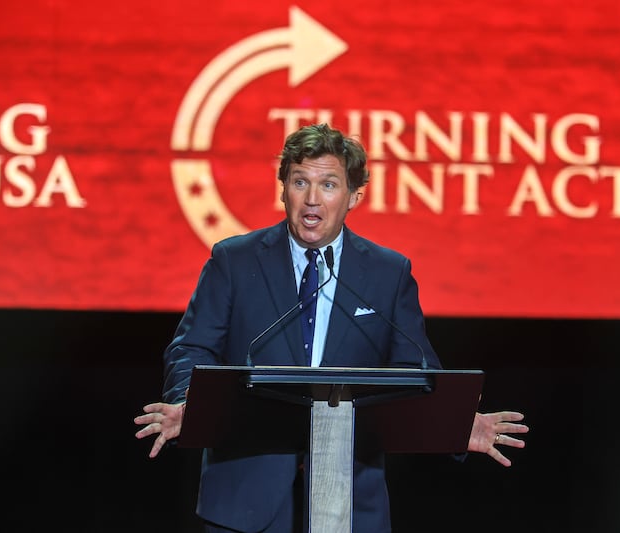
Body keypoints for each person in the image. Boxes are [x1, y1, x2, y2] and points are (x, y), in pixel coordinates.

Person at [134, 123, 528, 533]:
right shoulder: (234, 261)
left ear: (354, 196)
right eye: (300, 181)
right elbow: (192, 348)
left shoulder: (387, 273)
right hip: (245, 496)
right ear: (282, 188)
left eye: (328, 184)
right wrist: (191, 403)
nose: (312, 199)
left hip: (350, 501)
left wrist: (451, 423)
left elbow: (415, 373)